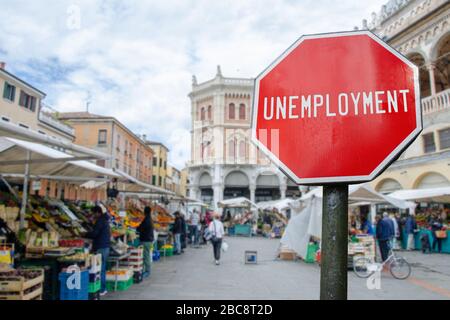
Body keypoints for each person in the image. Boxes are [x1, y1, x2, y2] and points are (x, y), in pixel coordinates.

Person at [86, 205, 111, 296]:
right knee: (102, 268)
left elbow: (95, 234)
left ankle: (102, 289)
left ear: (97, 213)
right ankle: (102, 288)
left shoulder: (100, 221)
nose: (93, 215)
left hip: (101, 247)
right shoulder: (105, 220)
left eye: (93, 213)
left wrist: (85, 234)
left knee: (100, 269)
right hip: (105, 246)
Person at [137, 206, 154, 278]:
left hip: (146, 240)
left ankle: (147, 271)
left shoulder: (147, 220)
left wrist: (138, 228)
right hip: (148, 239)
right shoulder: (149, 219)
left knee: (146, 256)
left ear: (145, 212)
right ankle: (145, 270)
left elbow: (141, 228)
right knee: (145, 255)